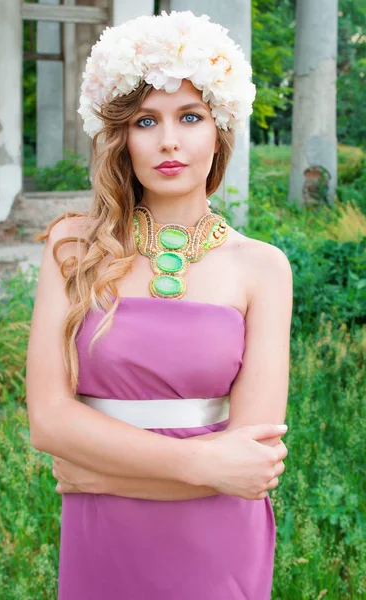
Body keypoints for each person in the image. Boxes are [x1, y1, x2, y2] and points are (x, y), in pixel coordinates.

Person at [26, 10, 293, 600]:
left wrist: (97, 471)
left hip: (218, 542)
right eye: (147, 120)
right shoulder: (73, 246)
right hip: (106, 538)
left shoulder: (264, 268)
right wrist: (202, 466)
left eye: (190, 116)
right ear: (122, 134)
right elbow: (48, 418)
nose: (169, 140)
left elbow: (251, 463)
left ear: (218, 129)